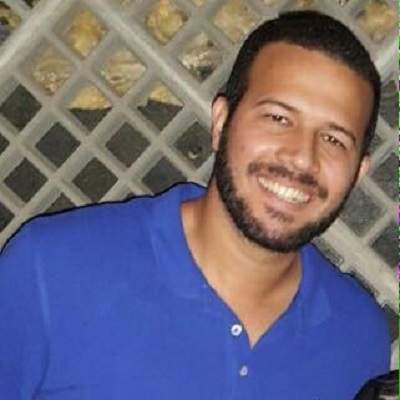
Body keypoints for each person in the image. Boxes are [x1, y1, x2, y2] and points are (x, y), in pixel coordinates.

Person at [0, 10, 391, 400]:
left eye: (334, 140)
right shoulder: (52, 270)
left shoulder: (358, 337)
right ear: (221, 123)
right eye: (278, 118)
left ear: (358, 172)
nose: (302, 157)